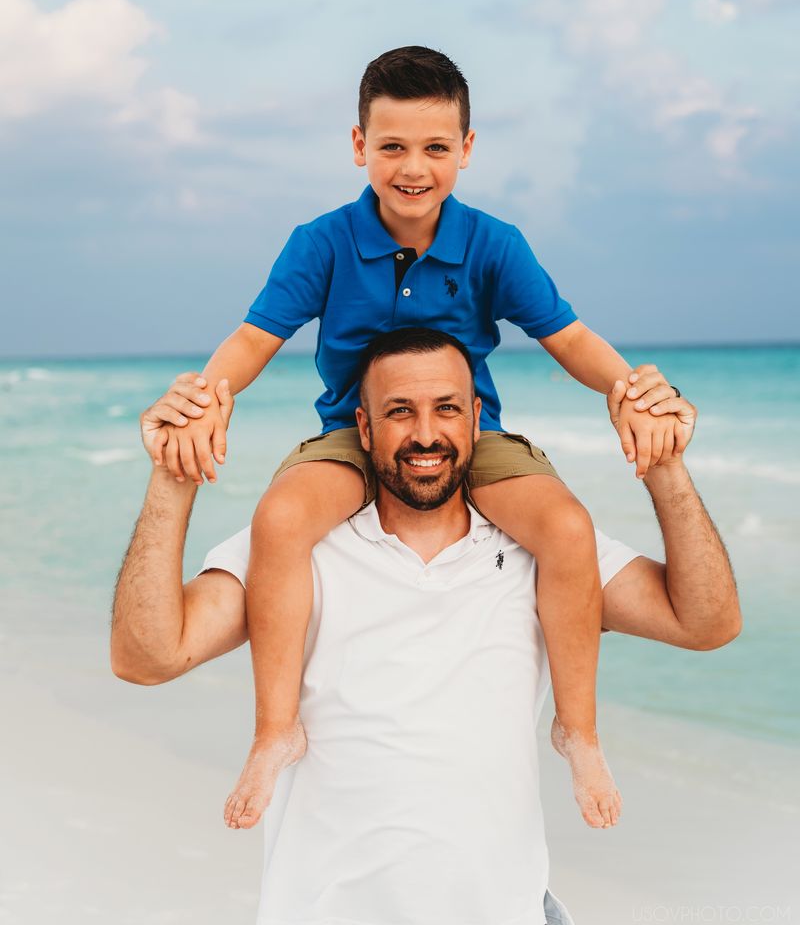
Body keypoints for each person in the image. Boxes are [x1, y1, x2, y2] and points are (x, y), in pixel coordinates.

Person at [150, 46, 690, 831]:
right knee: (279, 520)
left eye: (436, 147)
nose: (414, 167)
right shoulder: (323, 241)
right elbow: (255, 338)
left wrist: (630, 391)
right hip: (352, 435)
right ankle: (274, 730)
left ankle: (577, 727)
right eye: (393, 146)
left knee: (568, 528)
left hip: (473, 438)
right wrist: (206, 397)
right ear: (358, 145)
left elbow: (568, 338)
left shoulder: (492, 242)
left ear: (466, 150)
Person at [112, 328, 741, 925]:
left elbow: (705, 621)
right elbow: (148, 657)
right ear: (362, 426)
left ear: (475, 419)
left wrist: (665, 464)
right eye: (398, 412)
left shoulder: (545, 550)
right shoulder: (298, 551)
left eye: (446, 409)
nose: (425, 434)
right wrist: (174, 474)